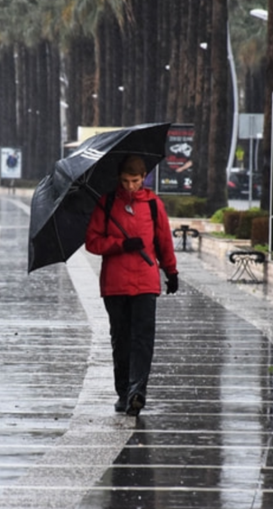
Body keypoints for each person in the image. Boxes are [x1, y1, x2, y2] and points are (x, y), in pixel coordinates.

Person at [84, 155, 179, 417]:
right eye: (125, 181)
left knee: (142, 340)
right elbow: (92, 242)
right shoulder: (106, 203)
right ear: (119, 178)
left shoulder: (152, 205)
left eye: (135, 181)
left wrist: (171, 272)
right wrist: (120, 244)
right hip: (115, 285)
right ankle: (123, 392)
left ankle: (138, 391)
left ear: (144, 177)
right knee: (121, 339)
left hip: (146, 283)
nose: (130, 186)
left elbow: (164, 242)